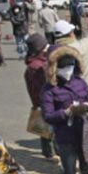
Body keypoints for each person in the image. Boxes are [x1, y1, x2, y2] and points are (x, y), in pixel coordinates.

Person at [41, 47, 88, 174]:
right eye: (64, 68)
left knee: (87, 168)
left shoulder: (80, 82)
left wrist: (87, 107)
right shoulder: (49, 89)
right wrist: (66, 112)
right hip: (65, 136)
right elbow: (48, 115)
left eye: (71, 67)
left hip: (84, 132)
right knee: (69, 171)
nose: (68, 71)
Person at [24, 33, 56, 161]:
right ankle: (50, 153)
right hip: (45, 101)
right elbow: (45, 85)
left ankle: (47, 152)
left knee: (44, 129)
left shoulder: (32, 65)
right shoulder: (38, 67)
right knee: (49, 129)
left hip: (38, 101)